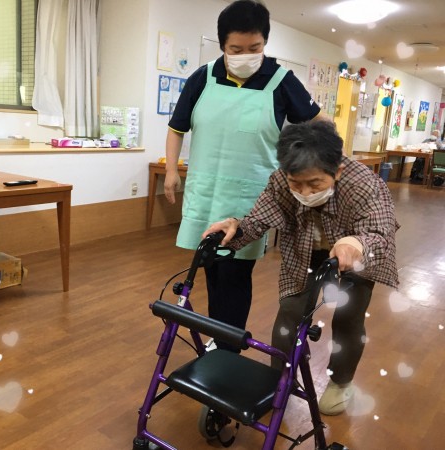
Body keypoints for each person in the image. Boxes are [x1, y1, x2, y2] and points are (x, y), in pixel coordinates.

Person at [203, 120, 399, 415]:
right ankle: (279, 380)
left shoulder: (364, 184)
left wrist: (356, 244)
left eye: (315, 184)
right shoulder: (282, 179)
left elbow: (380, 233)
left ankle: (341, 381)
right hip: (306, 252)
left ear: (338, 171)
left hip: (355, 254)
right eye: (296, 184)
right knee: (289, 314)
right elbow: (258, 219)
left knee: (348, 317)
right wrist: (235, 227)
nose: (305, 193)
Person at [164, 0, 322, 352]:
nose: (246, 56)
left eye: (255, 47)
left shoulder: (281, 81)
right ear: (223, 45)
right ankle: (220, 339)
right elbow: (176, 127)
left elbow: (319, 123)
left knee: (235, 275)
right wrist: (172, 170)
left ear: (265, 42)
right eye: (236, 49)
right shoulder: (202, 77)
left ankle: (228, 347)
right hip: (207, 192)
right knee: (210, 267)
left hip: (250, 200)